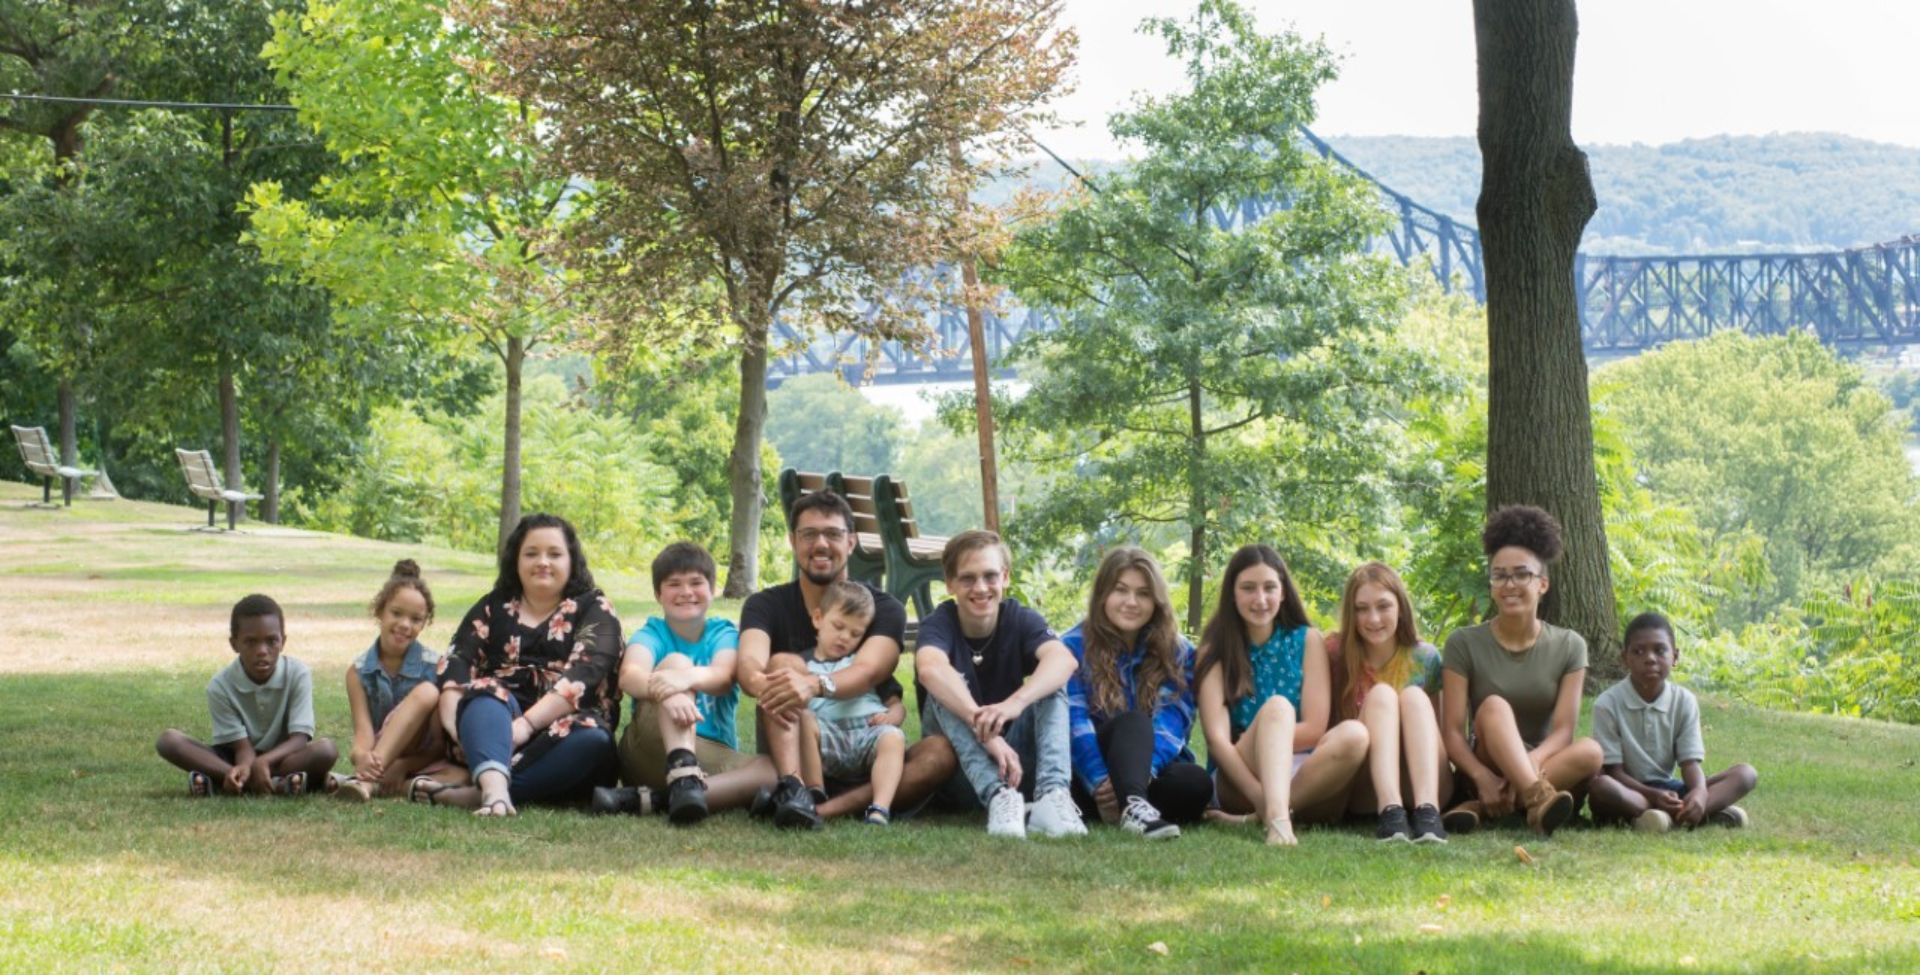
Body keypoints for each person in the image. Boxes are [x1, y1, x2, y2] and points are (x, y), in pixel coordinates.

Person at [733, 490, 955, 828]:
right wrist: (770, 683)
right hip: (795, 741)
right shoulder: (765, 605)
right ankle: (795, 787)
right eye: (809, 534)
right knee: (782, 664)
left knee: (938, 753)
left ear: (851, 542)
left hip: (866, 749)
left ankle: (820, 810)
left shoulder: (884, 608)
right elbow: (750, 664)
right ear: (793, 541)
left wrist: (813, 685)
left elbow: (868, 672)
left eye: (833, 534)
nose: (821, 544)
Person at [412, 513, 624, 817]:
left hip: (564, 734)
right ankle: (495, 790)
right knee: (484, 692)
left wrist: (525, 726)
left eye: (554, 554)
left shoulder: (595, 608)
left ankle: (480, 791)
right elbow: (455, 667)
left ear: (572, 561)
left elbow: (583, 676)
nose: (543, 562)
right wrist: (462, 734)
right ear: (516, 560)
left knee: (594, 739)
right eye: (531, 553)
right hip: (492, 728)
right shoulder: (493, 606)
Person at [1439, 505, 1605, 837]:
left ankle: (1485, 807)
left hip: (1543, 762)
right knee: (1493, 707)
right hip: (1486, 763)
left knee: (1591, 751)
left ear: (1542, 584)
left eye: (1521, 574)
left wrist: (1528, 767)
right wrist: (1482, 776)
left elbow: (1563, 732)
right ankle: (1537, 799)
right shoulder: (1463, 642)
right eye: (1499, 575)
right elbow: (1453, 733)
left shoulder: (1570, 645)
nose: (1509, 584)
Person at [915, 529, 1085, 839]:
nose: (981, 588)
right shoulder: (939, 623)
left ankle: (1052, 795)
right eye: (968, 578)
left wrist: (1013, 704)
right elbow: (929, 669)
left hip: (1016, 766)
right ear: (950, 583)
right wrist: (983, 729)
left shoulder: (1019, 618)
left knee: (1051, 681)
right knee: (944, 684)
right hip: (961, 774)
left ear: (1005, 577)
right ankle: (997, 797)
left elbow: (1064, 661)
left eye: (990, 576)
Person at [1195, 544, 1369, 846]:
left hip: (1303, 774)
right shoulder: (1214, 650)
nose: (1260, 599)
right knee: (1278, 708)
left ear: (1283, 592)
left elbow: (1315, 729)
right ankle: (1277, 819)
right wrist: (1259, 793)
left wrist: (1272, 740)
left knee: (1355, 734)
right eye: (1248, 588)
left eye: (1269, 587)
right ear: (1232, 593)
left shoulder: (1307, 640)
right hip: (1240, 775)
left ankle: (1260, 816)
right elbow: (1217, 741)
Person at [1062, 546, 1212, 840]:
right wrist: (1100, 780)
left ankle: (1131, 803)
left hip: (1148, 772)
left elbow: (1173, 724)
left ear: (1156, 601)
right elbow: (1073, 722)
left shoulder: (1180, 653)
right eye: (1121, 590)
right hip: (1088, 771)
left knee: (1196, 783)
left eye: (1143, 594)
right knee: (1132, 722)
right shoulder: (1070, 646)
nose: (1131, 602)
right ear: (1103, 594)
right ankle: (1131, 807)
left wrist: (1139, 776)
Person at [595, 542, 747, 824]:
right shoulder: (652, 633)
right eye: (674, 584)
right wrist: (670, 693)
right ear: (658, 594)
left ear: (713, 589)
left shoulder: (723, 633)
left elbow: (724, 677)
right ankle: (682, 772)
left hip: (710, 753)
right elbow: (630, 675)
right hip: (650, 748)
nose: (686, 592)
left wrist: (685, 679)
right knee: (676, 661)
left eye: (696, 583)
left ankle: (656, 799)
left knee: (775, 770)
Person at [1586, 612, 1757, 832]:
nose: (1650, 658)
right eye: (1638, 651)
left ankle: (1672, 816)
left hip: (1670, 789)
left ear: (1675, 657)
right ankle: (1698, 815)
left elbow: (1690, 763)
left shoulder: (1684, 700)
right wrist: (1652, 795)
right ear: (1625, 658)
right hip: (1630, 790)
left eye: (1660, 650)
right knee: (1601, 787)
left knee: (1745, 774)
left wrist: (1699, 792)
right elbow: (1613, 772)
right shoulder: (1607, 704)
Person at [157, 594, 338, 797]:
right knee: (169, 741)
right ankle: (273, 783)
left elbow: (299, 739)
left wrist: (264, 761)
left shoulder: (298, 674)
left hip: (283, 758)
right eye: (250, 642)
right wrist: (244, 766)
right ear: (234, 644)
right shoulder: (220, 686)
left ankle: (226, 782)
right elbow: (242, 747)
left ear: (283, 641)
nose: (262, 651)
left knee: (326, 750)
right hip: (235, 758)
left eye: (271, 641)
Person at [1326, 562, 1451, 843]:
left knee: (1413, 697)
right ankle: (1391, 812)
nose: (1373, 619)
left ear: (1400, 607)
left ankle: (1428, 813)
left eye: (1383, 606)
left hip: (1426, 784)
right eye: (1362, 609)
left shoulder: (1426, 658)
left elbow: (1437, 734)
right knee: (1382, 696)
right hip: (1364, 786)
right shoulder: (1334, 653)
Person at [773, 580, 906, 825]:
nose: (845, 637)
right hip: (827, 738)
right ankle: (814, 792)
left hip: (867, 734)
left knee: (893, 737)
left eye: (855, 634)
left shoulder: (862, 665)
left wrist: (892, 717)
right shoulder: (802, 665)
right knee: (805, 718)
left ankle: (879, 808)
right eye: (838, 626)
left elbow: (896, 704)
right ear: (818, 619)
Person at [335, 560, 465, 801]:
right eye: (396, 613)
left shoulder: (436, 667)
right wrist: (361, 757)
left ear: (424, 623)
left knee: (463, 776)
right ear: (379, 611)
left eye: (416, 619)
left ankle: (371, 783)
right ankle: (370, 780)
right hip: (378, 757)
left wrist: (404, 765)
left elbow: (437, 746)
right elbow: (363, 736)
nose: (405, 625)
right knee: (427, 692)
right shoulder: (358, 672)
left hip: (420, 761)